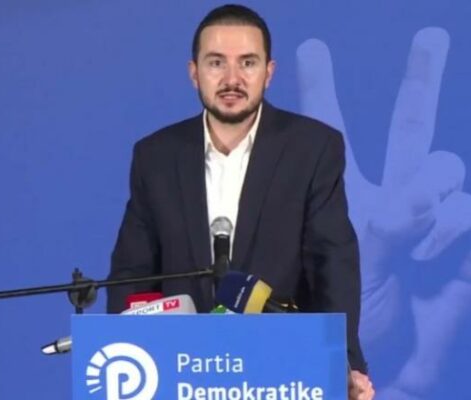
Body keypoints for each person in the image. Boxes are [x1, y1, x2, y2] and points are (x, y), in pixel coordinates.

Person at [107, 4, 374, 399]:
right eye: (216, 63)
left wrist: (344, 364)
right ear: (194, 72)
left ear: (269, 72)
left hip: (282, 373)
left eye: (247, 63)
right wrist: (120, 355)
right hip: (181, 374)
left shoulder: (313, 148)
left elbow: (332, 265)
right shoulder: (155, 156)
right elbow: (132, 274)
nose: (232, 79)